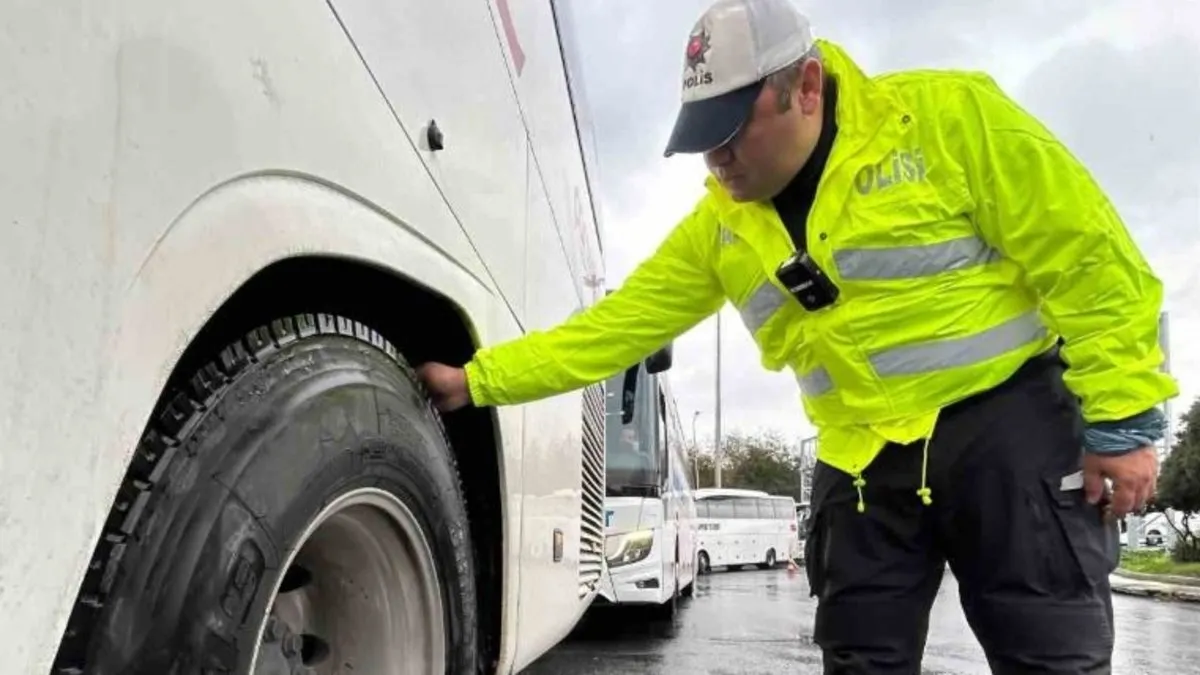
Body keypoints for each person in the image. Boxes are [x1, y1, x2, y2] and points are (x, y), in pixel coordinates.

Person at [418, 0, 1178, 672]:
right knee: (858, 656)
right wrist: (476, 379)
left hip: (1008, 429)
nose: (717, 160)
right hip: (860, 461)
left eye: (732, 130)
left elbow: (1090, 260)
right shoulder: (719, 226)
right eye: (701, 138)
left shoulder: (950, 122)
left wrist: (1123, 423)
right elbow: (609, 330)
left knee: (1049, 651)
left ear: (806, 87)